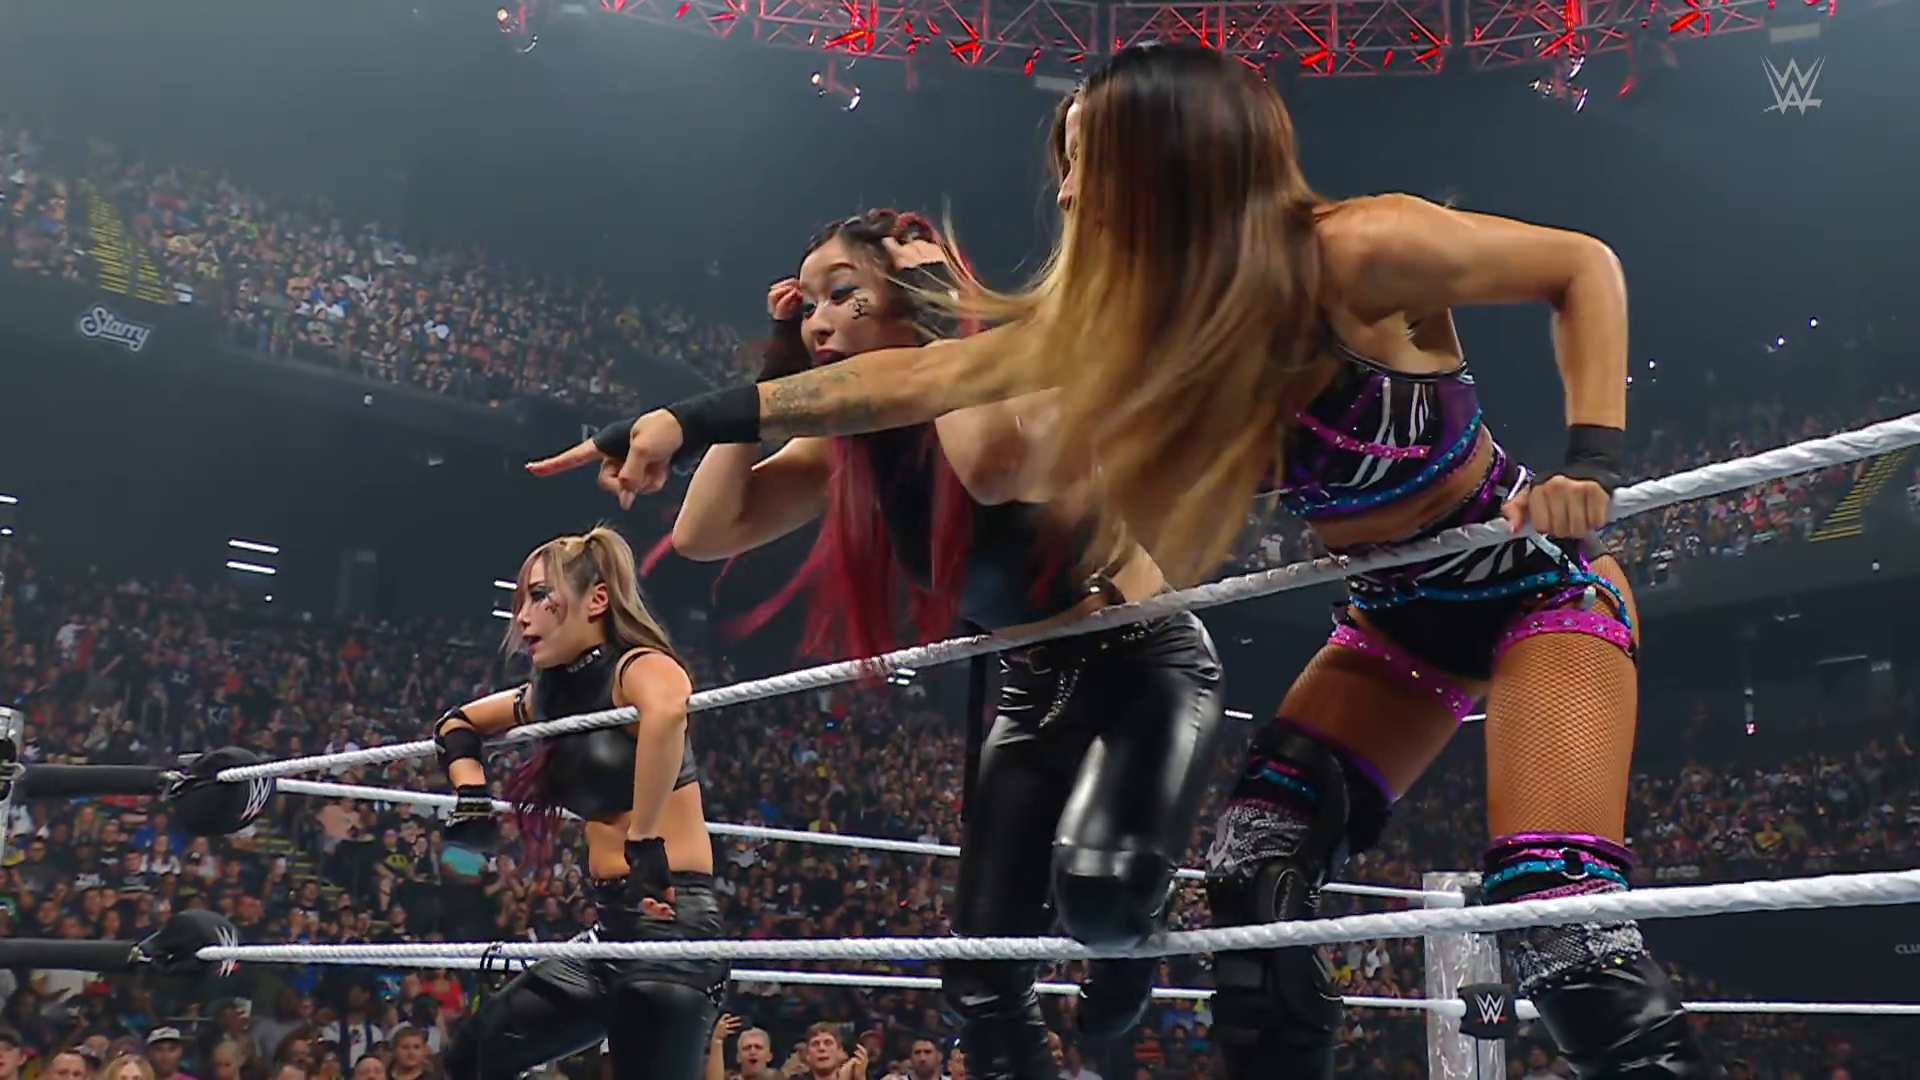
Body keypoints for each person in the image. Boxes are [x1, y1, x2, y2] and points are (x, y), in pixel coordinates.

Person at [535, 44, 1701, 1080]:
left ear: (1168, 153)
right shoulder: (1140, 327)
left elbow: (1580, 267)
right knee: (1252, 875)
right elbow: (908, 380)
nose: (1066, 189)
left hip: (1531, 588)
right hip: (1392, 621)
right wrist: (685, 418)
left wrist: (1589, 459)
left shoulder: (1354, 249)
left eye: (1086, 159)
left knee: (1556, 926)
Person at [533, 209, 1227, 1080]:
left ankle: (1130, 941)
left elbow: (990, 468)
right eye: (806, 306)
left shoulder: (1020, 369)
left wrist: (939, 304)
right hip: (1034, 686)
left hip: (1143, 659)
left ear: (910, 295)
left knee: (1103, 899)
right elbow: (710, 531)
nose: (817, 320)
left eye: (841, 294)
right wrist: (774, 371)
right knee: (979, 981)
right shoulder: (855, 445)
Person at [433, 526, 725, 1080]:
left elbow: (667, 713)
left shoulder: (637, 667)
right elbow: (457, 723)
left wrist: (644, 840)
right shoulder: (552, 697)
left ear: (597, 601)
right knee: (472, 1056)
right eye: (520, 603)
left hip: (672, 930)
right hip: (608, 934)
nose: (524, 618)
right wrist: (472, 794)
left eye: (540, 597)